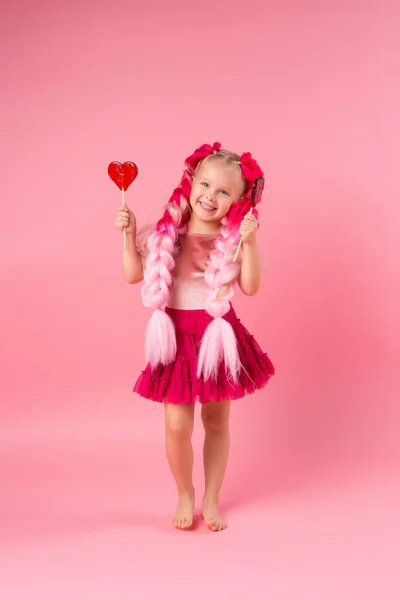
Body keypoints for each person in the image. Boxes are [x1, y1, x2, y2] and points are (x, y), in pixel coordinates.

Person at [115, 142, 275, 531]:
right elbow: (133, 275)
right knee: (176, 425)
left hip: (217, 335)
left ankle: (211, 498)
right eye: (205, 185)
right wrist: (129, 234)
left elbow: (251, 286)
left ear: (238, 200)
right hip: (176, 336)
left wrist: (250, 242)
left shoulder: (234, 239)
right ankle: (185, 492)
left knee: (217, 420)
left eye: (223, 191)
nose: (210, 196)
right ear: (190, 184)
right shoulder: (167, 234)